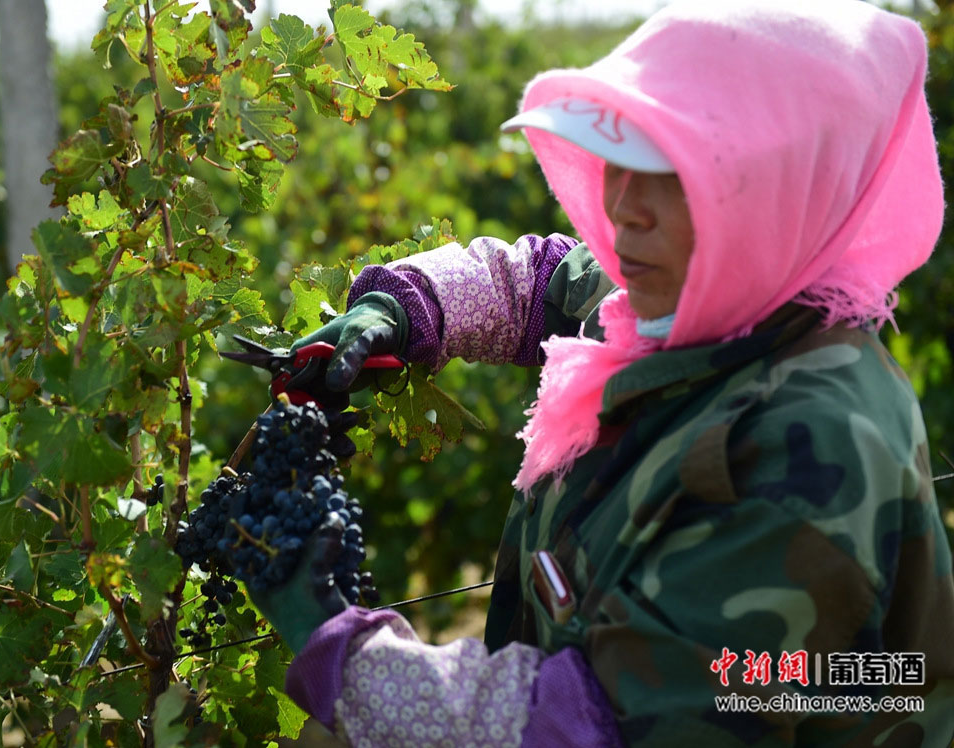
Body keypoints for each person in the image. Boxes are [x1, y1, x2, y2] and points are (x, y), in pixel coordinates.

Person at [247, 1, 954, 744]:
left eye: (676, 174)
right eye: (621, 159)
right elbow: (546, 281)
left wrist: (343, 654)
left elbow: (602, 722)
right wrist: (407, 307)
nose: (622, 210)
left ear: (788, 186)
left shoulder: (813, 442)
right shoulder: (694, 289)